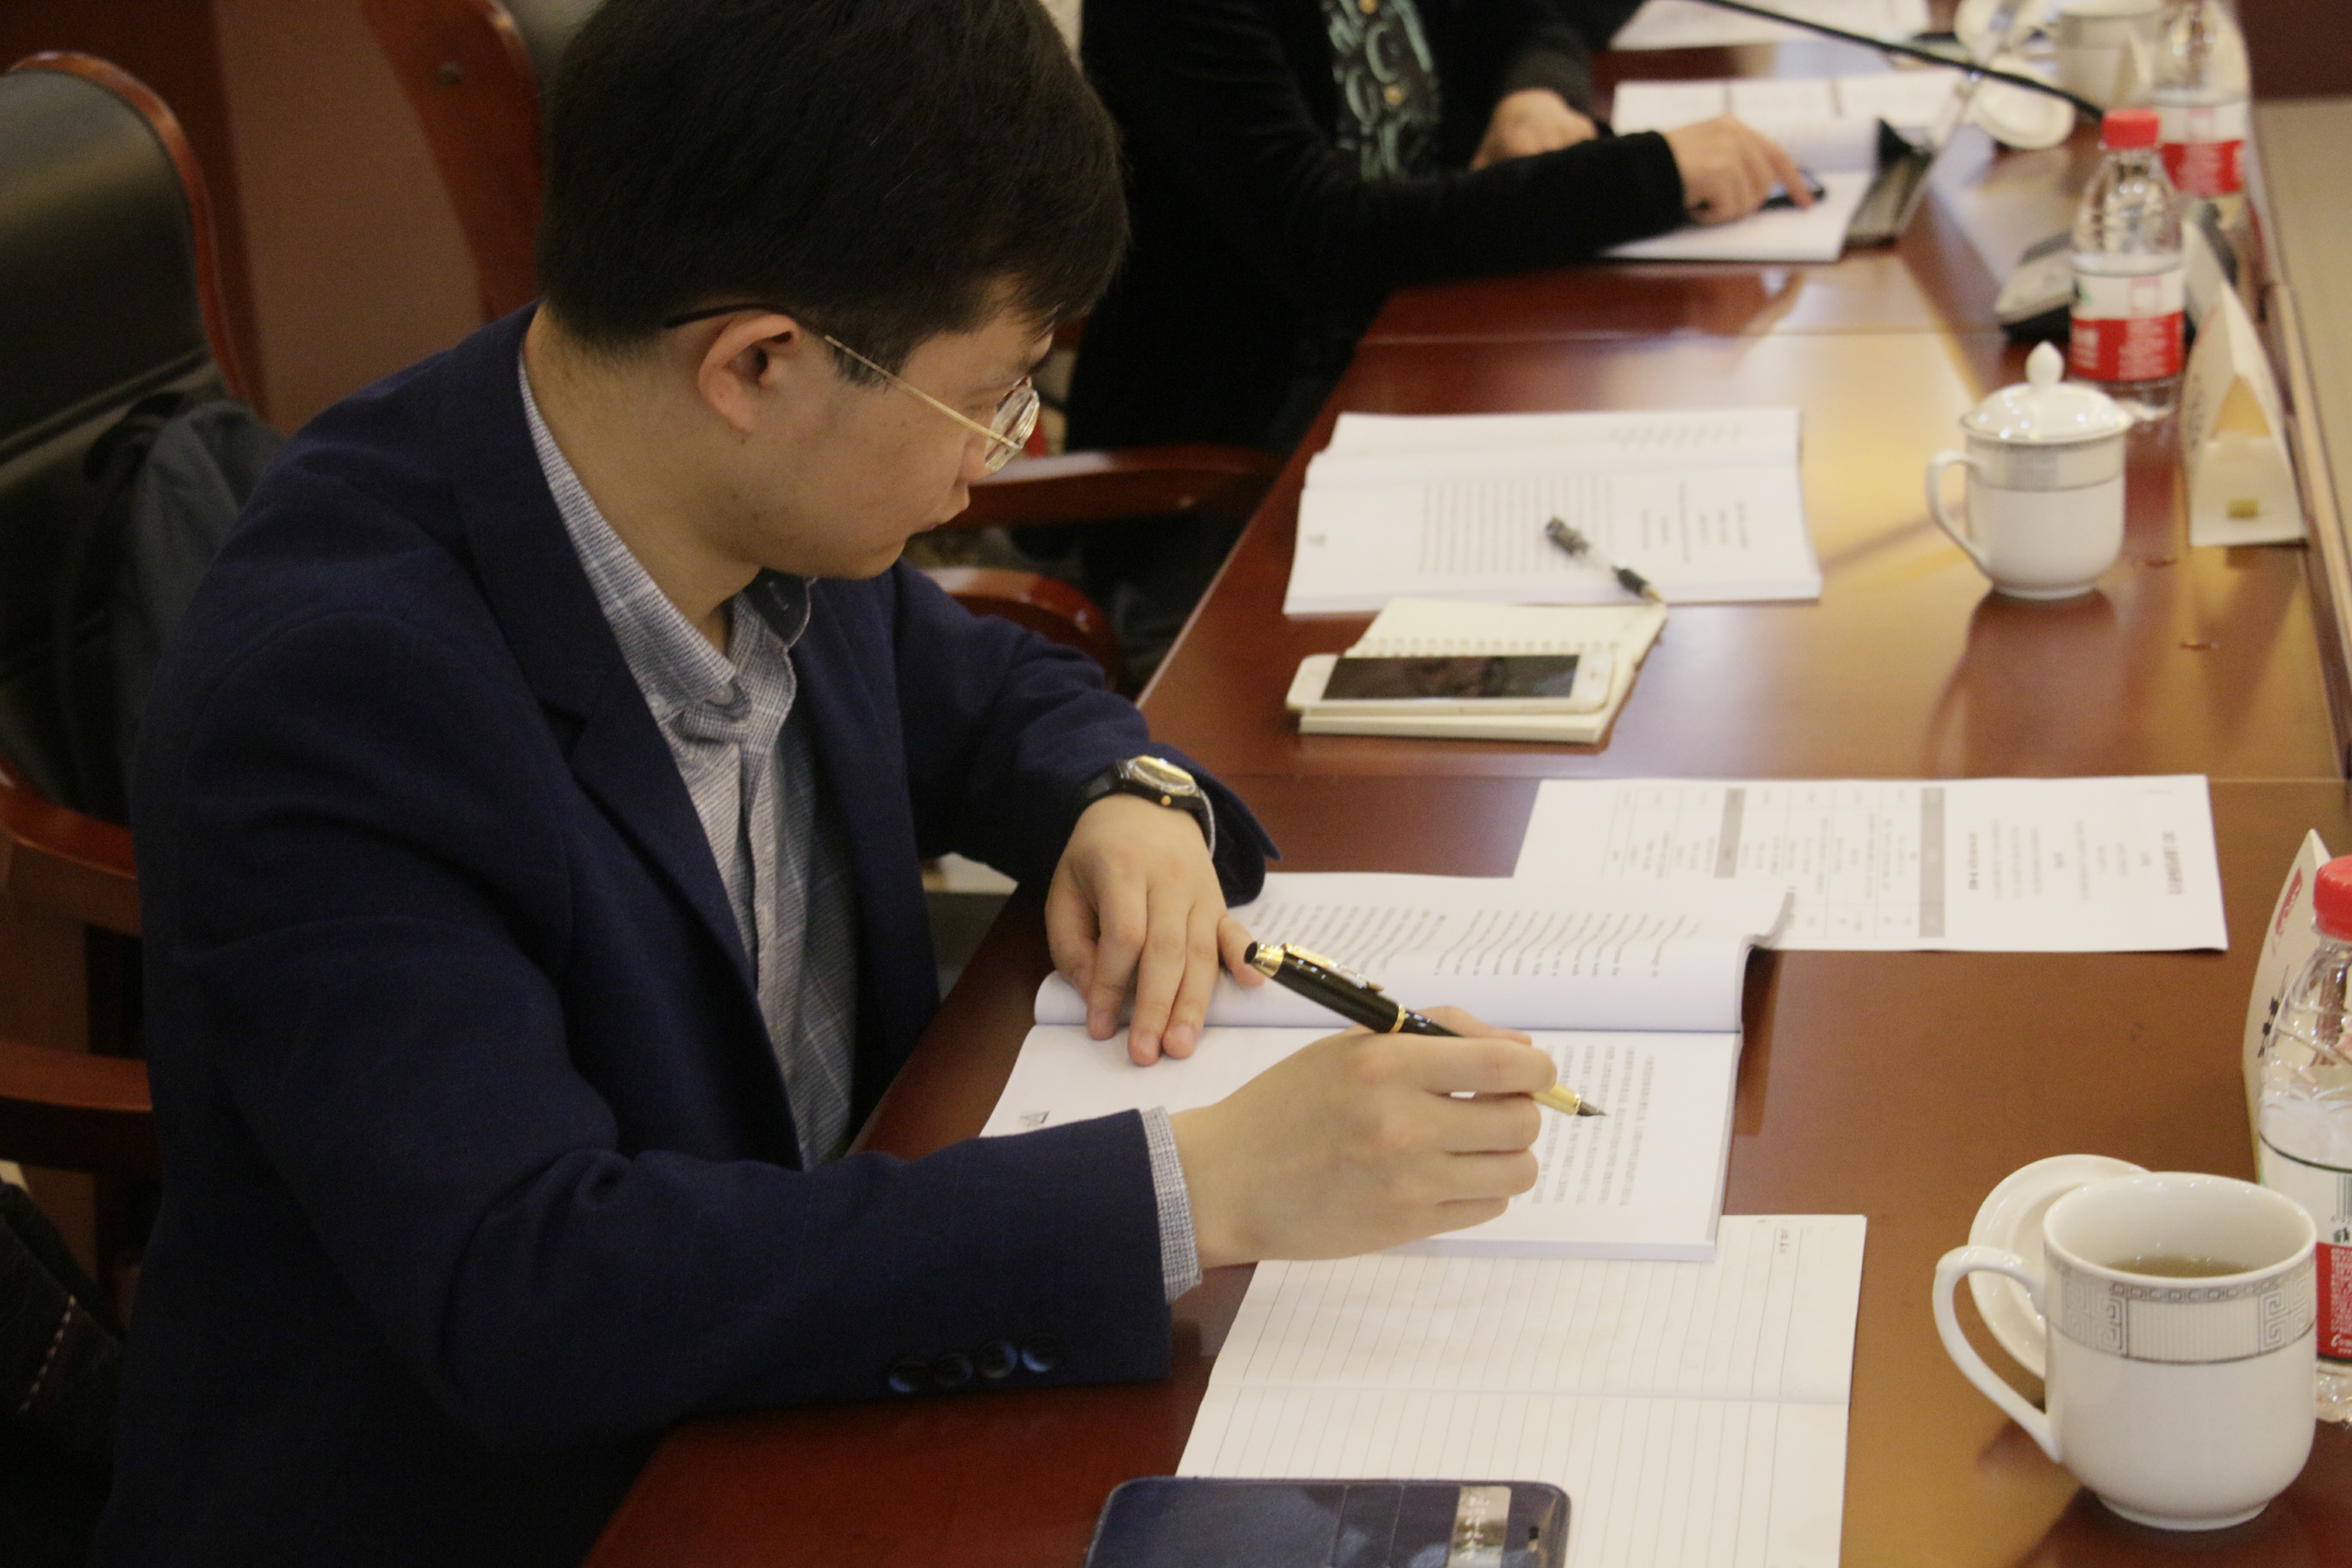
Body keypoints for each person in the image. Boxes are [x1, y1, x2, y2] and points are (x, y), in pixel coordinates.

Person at [91, 0, 1562, 1563]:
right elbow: (531, 1289)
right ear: (759, 362)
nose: (1002, 453)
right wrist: (1200, 1187)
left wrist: (1124, 797)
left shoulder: (723, 480)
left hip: (817, 1386)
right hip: (534, 1502)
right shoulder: (344, 689)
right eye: (988, 395)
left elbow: (986, 691)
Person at [1058, 0, 1806, 669]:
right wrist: (1651, 174)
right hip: (1231, 468)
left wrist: (1534, 93)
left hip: (1430, 374)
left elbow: (1535, 17)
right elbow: (1328, 240)